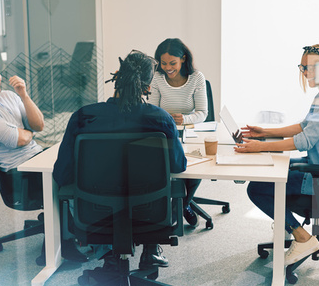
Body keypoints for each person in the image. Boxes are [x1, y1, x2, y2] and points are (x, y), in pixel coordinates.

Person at [54, 50, 187, 270]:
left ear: (117, 77)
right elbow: (178, 166)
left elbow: (62, 173)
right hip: (150, 214)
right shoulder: (160, 119)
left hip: (95, 214)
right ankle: (150, 250)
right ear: (147, 87)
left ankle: (109, 256)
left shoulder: (84, 117)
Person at [234, 44, 319, 266]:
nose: (305, 73)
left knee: (257, 188)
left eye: (309, 67)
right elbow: (304, 126)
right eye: (302, 67)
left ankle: (302, 236)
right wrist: (265, 133)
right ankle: (286, 224)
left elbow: (305, 140)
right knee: (274, 168)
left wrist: (260, 147)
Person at [0, 53, 86, 263]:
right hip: (20, 174)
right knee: (73, 176)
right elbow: (19, 140)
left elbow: (38, 125)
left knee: (84, 163)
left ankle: (78, 228)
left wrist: (24, 94)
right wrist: (26, 132)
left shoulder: (10, 96)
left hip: (36, 157)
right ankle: (67, 240)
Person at [149, 38, 205, 227]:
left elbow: (203, 113)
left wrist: (185, 119)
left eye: (172, 63)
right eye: (163, 63)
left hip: (189, 132)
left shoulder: (197, 78)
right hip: (163, 132)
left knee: (194, 169)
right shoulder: (157, 78)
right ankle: (176, 206)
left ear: (183, 59)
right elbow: (151, 109)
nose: (168, 68)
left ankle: (181, 206)